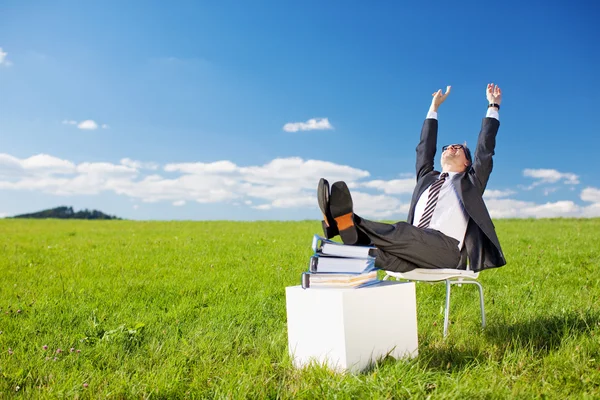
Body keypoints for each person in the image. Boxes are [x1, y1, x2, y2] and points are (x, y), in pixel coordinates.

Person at [317, 83, 506, 273]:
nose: (450, 148)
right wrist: (434, 108)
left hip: (445, 251)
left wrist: (493, 107)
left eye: (457, 148)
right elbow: (424, 148)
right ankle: (342, 232)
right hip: (412, 250)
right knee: (376, 255)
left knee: (404, 231)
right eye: (447, 147)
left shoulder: (471, 182)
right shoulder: (427, 179)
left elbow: (485, 151)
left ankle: (343, 222)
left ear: (467, 163)